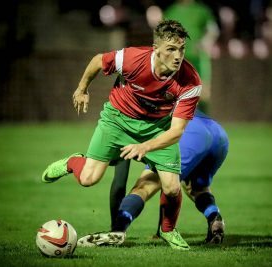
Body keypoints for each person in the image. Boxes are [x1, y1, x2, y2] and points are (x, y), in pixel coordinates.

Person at [41, 20, 202, 250]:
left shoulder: (190, 81)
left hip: (157, 128)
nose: (178, 56)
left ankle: (168, 231)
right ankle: (72, 162)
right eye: (171, 49)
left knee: (172, 188)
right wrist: (82, 88)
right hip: (116, 121)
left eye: (181, 49)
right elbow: (98, 60)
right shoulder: (132, 58)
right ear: (156, 49)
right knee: (88, 179)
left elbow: (177, 131)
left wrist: (145, 147)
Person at [78, 110, 229, 248]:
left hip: (189, 133)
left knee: (144, 186)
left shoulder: (123, 116)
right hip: (218, 134)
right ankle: (215, 219)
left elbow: (119, 183)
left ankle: (118, 232)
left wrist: (116, 225)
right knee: (196, 188)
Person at [163, 0, 219, 113]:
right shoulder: (171, 11)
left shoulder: (201, 10)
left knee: (203, 93)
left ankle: (203, 123)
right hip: (177, 59)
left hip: (198, 57)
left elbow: (213, 30)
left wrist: (206, 41)